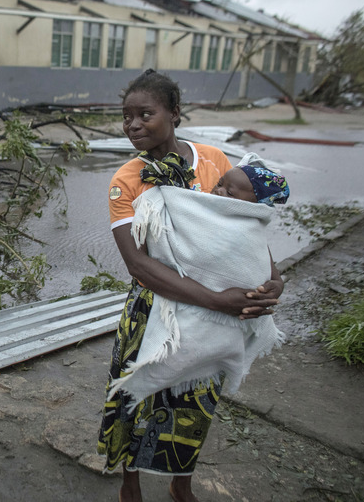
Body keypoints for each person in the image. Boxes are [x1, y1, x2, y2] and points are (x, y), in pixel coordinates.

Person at [97, 70, 285, 502]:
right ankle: (131, 480)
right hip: (155, 308)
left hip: (214, 312)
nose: (133, 125)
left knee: (194, 401)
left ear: (174, 114)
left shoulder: (215, 162)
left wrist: (272, 281)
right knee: (138, 396)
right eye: (126, 117)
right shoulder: (126, 181)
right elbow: (137, 265)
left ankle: (181, 484)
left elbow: (248, 229)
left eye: (145, 114)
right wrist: (218, 301)